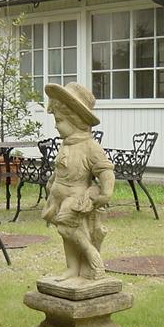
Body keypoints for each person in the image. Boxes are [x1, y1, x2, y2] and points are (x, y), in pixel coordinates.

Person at [41, 82, 115, 280]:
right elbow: (60, 169)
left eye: (59, 120)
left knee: (67, 228)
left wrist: (106, 193)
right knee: (65, 233)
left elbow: (105, 170)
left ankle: (92, 256)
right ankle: (73, 268)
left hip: (76, 198)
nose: (56, 125)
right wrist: (52, 181)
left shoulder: (90, 146)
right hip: (59, 196)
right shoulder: (66, 145)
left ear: (75, 120)